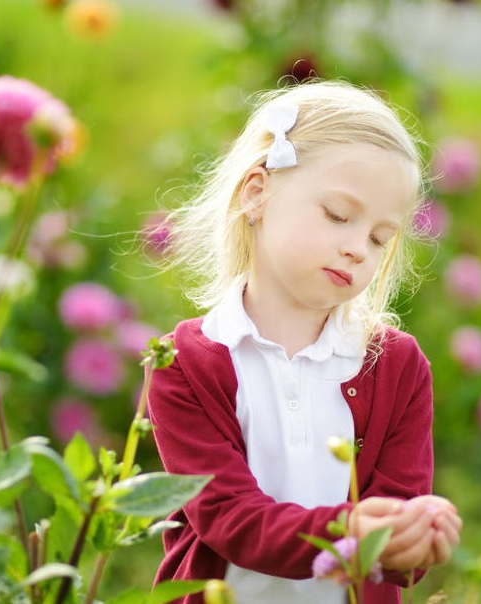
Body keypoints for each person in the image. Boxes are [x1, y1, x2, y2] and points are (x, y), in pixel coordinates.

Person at [146, 80, 462, 604]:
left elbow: (397, 534)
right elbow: (229, 518)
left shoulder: (397, 366)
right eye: (339, 215)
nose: (359, 249)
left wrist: (415, 536)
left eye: (380, 238)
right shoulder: (185, 365)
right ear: (257, 194)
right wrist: (351, 530)